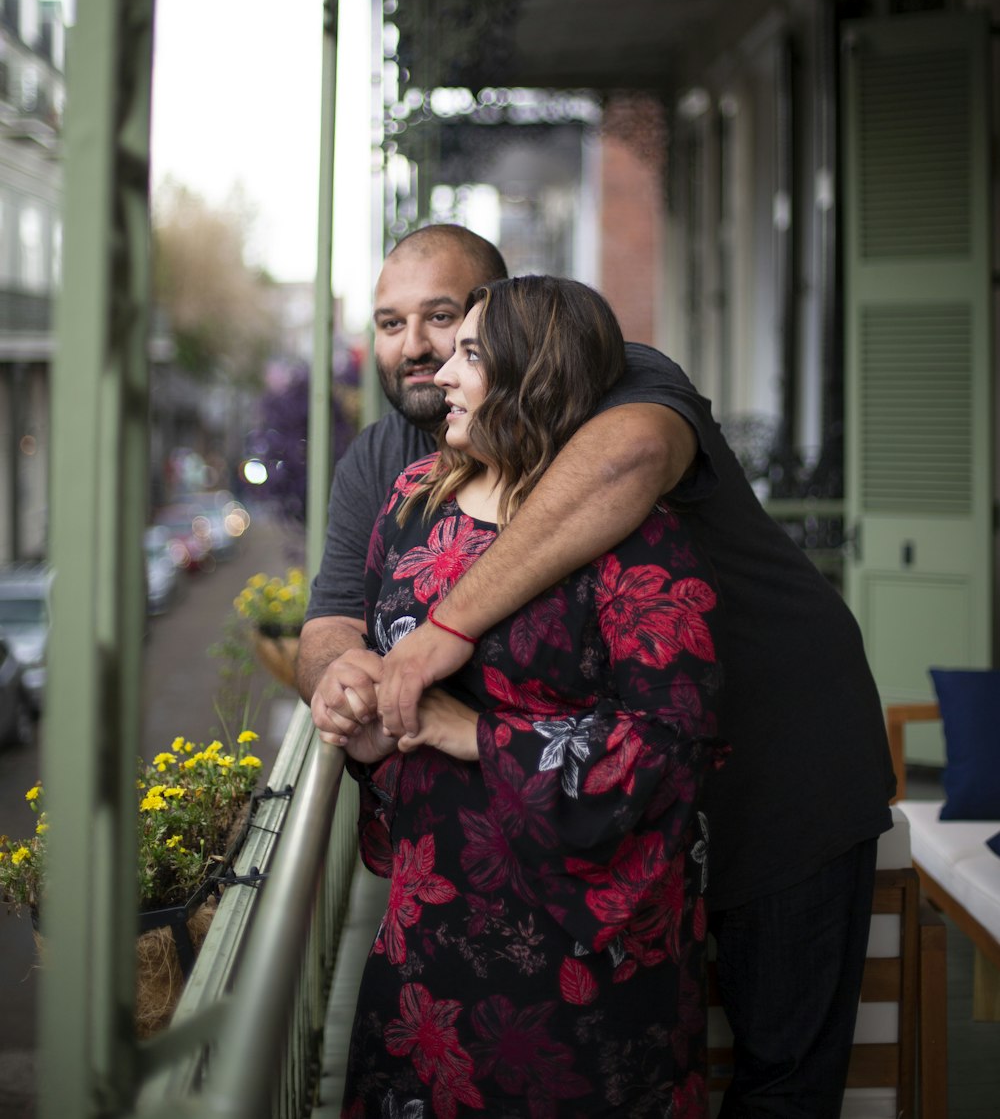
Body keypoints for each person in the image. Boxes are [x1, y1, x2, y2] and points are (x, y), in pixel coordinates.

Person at [299, 223, 896, 1119]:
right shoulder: (391, 467)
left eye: (448, 321)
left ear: (509, 316)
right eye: (390, 323)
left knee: (779, 1073)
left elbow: (627, 460)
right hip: (562, 853)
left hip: (774, 771)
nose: (421, 351)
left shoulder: (618, 374)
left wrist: (442, 636)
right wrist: (351, 681)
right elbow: (334, 623)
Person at [337, 275, 725, 1117]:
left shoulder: (633, 531)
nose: (440, 371)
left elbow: (673, 742)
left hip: (580, 952)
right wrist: (366, 725)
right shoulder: (413, 504)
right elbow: (384, 664)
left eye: (470, 353)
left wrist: (475, 733)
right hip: (429, 924)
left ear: (532, 375)